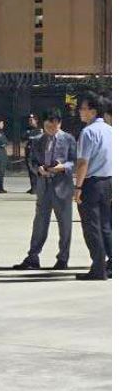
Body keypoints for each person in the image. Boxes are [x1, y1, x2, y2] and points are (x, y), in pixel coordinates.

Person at [12, 110, 75, 271]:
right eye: (47, 126)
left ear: (59, 123)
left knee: (65, 225)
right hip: (44, 186)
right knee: (39, 223)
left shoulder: (68, 139)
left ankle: (63, 258)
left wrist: (62, 167)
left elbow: (75, 162)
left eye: (54, 126)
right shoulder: (38, 140)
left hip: (62, 187)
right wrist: (38, 169)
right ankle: (33, 257)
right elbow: (32, 161)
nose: (51, 129)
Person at [73, 91, 112, 281]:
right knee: (106, 225)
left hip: (92, 184)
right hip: (109, 182)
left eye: (83, 108)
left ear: (93, 111)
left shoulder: (88, 132)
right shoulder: (111, 130)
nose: (80, 111)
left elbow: (83, 162)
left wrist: (78, 188)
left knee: (91, 227)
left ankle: (98, 268)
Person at [22, 114, 43, 194]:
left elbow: (38, 138)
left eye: (31, 120)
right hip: (29, 152)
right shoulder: (27, 129)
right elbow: (23, 138)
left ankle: (38, 188)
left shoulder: (40, 129)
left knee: (36, 170)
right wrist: (29, 136)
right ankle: (33, 187)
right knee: (30, 170)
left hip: (36, 153)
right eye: (29, 120)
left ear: (36, 121)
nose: (30, 122)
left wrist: (30, 136)